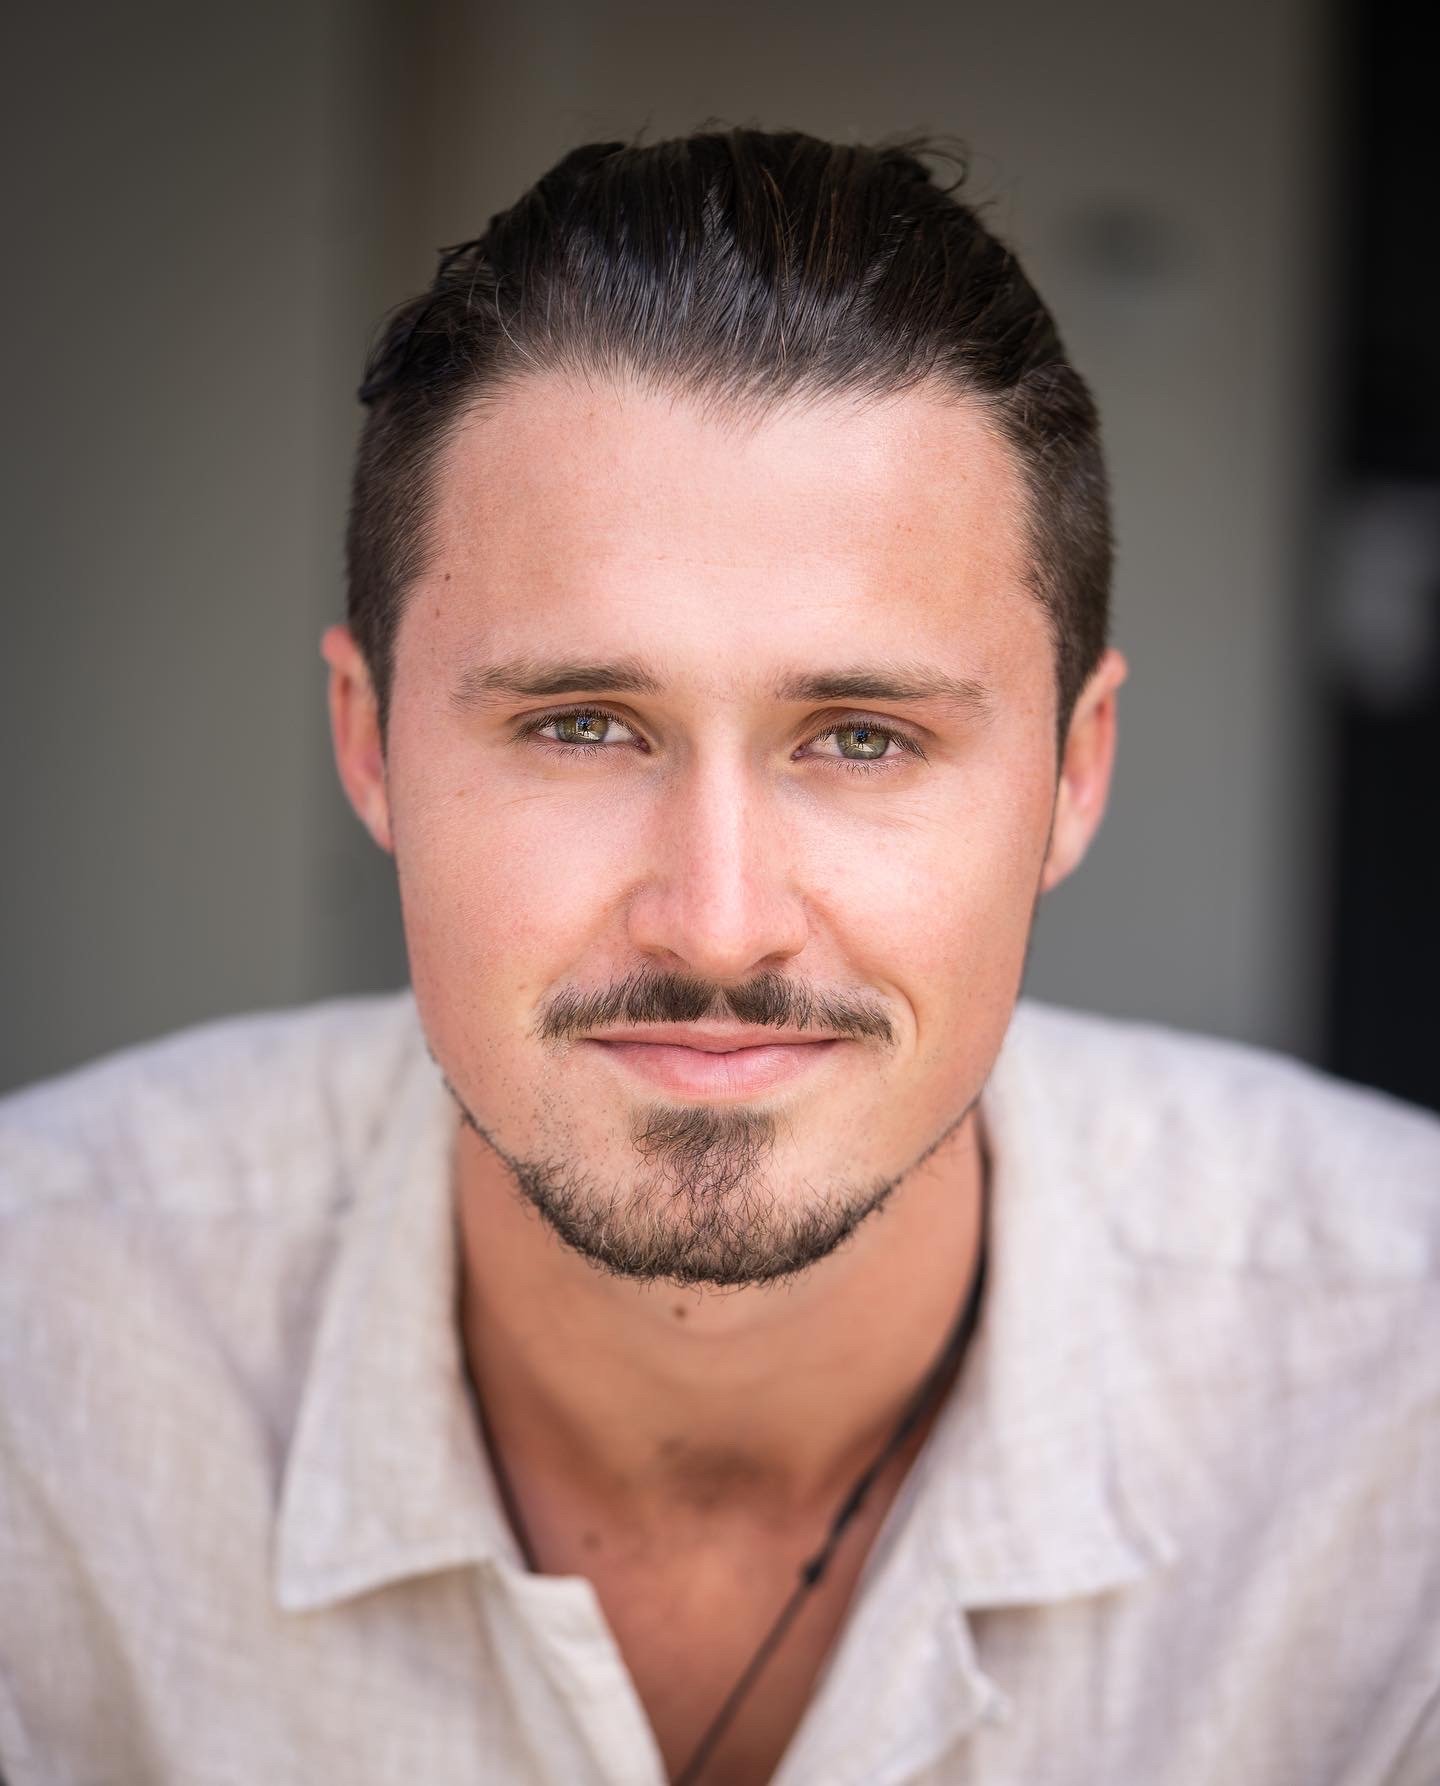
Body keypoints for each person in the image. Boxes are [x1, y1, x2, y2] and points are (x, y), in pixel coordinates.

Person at [1, 128, 1437, 1786]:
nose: (719, 916)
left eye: (864, 738)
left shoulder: (1400, 1404)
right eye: (584, 723)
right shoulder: (46, 1365)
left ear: (1076, 771)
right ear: (370, 742)